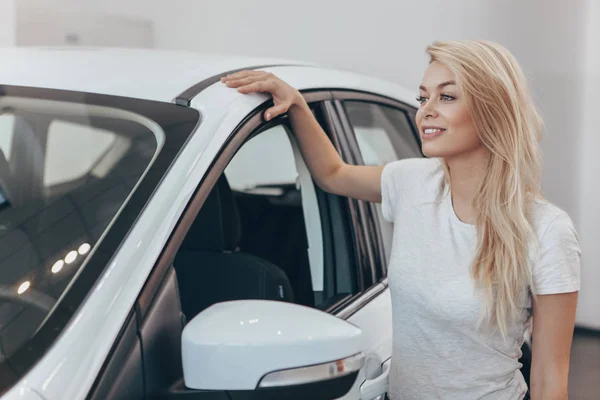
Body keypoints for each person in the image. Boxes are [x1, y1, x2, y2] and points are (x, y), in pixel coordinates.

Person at [221, 40, 580, 400]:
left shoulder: (546, 230)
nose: (425, 112)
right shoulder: (411, 182)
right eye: (423, 98)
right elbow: (333, 174)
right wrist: (297, 104)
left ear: (493, 108)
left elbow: (549, 376)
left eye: (447, 97)